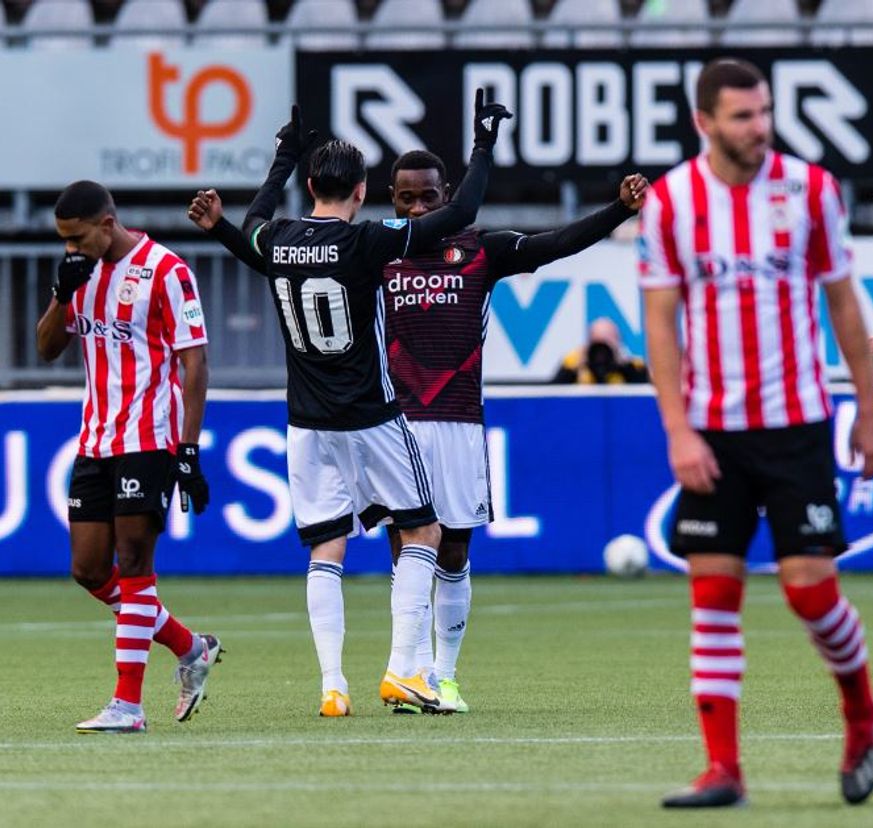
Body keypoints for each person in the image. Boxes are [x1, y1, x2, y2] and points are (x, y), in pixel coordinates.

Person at [191, 147, 648, 714]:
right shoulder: (376, 251)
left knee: (452, 551)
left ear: (446, 193)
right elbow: (284, 261)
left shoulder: (481, 250)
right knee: (406, 544)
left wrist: (617, 211)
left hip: (455, 422)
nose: (415, 207)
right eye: (404, 197)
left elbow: (556, 244)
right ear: (379, 195)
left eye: (427, 196)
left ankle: (443, 674)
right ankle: (408, 671)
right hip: (390, 420)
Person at [187, 96, 508, 717]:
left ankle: (333, 685)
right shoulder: (368, 243)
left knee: (325, 548)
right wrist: (483, 146)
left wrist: (282, 155)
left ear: (310, 185)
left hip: (306, 424)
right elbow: (464, 210)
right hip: (373, 416)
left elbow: (248, 224)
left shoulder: (276, 241)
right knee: (424, 529)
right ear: (362, 191)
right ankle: (401, 672)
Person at [638, 58, 873, 809]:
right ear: (704, 123)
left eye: (764, 111)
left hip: (797, 423)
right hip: (713, 429)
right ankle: (723, 770)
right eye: (743, 115)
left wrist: (867, 407)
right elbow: (660, 322)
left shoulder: (809, 190)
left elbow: (843, 302)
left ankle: (862, 715)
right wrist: (678, 429)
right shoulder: (673, 201)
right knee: (712, 593)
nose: (759, 126)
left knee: (812, 597)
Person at [35, 180, 221, 733]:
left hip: (150, 436)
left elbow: (195, 363)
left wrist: (188, 449)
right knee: (88, 569)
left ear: (107, 224)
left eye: (77, 238)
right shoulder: (78, 274)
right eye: (62, 240)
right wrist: (61, 293)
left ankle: (127, 706)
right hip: (95, 440)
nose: (71, 247)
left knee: (136, 563)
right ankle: (190, 647)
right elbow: (46, 349)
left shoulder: (164, 269)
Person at [552, 318, 648, 384]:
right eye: (597, 340)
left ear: (618, 342)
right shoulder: (572, 363)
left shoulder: (633, 365)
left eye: (608, 339)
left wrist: (626, 367)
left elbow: (646, 394)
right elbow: (553, 394)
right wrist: (574, 370)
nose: (602, 350)